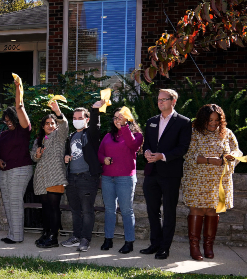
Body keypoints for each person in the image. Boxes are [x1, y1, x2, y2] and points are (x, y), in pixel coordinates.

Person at [182, 104, 241, 261]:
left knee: (212, 211)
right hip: (197, 180)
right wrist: (210, 160)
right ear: (203, 119)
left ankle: (208, 246)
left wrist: (232, 156)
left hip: (218, 182)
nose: (213, 123)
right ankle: (194, 247)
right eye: (210, 120)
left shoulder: (227, 133)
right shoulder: (194, 133)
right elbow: (188, 155)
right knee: (197, 210)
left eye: (217, 120)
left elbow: (237, 151)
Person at [140, 89, 192, 260]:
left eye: (164, 99)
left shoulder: (183, 122)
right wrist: (147, 152)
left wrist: (162, 156)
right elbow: (147, 143)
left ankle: (164, 247)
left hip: (170, 173)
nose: (160, 102)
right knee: (152, 210)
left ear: (173, 101)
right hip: (152, 173)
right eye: (159, 99)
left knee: (169, 211)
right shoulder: (151, 121)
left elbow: (183, 148)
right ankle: (154, 243)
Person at [97, 107, 144, 254]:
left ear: (128, 119)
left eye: (121, 117)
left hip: (125, 178)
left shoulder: (137, 135)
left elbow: (132, 145)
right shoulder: (108, 136)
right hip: (107, 177)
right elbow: (99, 152)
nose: (118, 120)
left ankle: (129, 241)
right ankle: (108, 239)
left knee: (126, 210)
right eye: (116, 118)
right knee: (109, 209)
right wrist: (103, 159)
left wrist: (124, 127)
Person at [60, 101, 104, 252]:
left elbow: (95, 127)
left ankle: (85, 239)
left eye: (80, 117)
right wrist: (66, 156)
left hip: (87, 178)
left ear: (87, 119)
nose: (77, 119)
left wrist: (95, 109)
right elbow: (68, 152)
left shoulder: (90, 134)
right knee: (75, 210)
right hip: (72, 178)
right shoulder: (72, 135)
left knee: (87, 210)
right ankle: (76, 237)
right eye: (74, 117)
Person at [0, 78, 33, 244]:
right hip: (5, 169)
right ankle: (12, 233)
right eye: (5, 120)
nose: (7, 122)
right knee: (8, 202)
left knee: (15, 201)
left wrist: (18, 88)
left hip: (21, 169)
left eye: (10, 120)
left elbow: (19, 106)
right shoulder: (3, 134)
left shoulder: (24, 130)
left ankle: (17, 237)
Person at [32, 99, 68, 248]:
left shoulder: (59, 136)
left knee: (53, 208)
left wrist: (57, 112)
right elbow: (32, 156)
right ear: (43, 126)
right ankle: (46, 233)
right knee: (45, 208)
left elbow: (64, 125)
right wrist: (37, 155)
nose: (50, 125)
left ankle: (53, 238)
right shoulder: (38, 140)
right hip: (41, 180)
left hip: (55, 178)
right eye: (47, 123)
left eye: (52, 123)